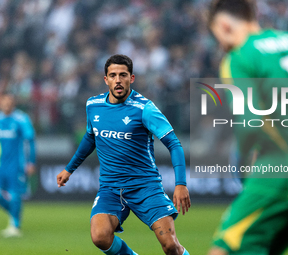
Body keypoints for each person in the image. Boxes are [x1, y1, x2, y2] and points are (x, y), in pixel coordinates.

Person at [207, 0, 288, 254]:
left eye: (217, 37)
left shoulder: (240, 57)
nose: (221, 45)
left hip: (281, 170)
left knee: (222, 250)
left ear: (224, 25)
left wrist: (242, 158)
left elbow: (250, 121)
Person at [57, 54, 191, 255]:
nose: (118, 80)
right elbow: (90, 138)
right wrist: (69, 169)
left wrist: (181, 184)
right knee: (100, 236)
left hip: (145, 187)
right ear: (106, 80)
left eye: (123, 75)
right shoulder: (93, 106)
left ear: (132, 78)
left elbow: (173, 143)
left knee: (171, 246)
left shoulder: (144, 108)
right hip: (111, 188)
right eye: (113, 75)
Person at [0, 93, 36, 238]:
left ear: (14, 103)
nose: (6, 105)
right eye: (4, 102)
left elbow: (30, 141)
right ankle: (13, 213)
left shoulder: (21, 119)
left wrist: (31, 162)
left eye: (9, 102)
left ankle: (15, 225)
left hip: (17, 164)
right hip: (2, 164)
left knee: (15, 195)